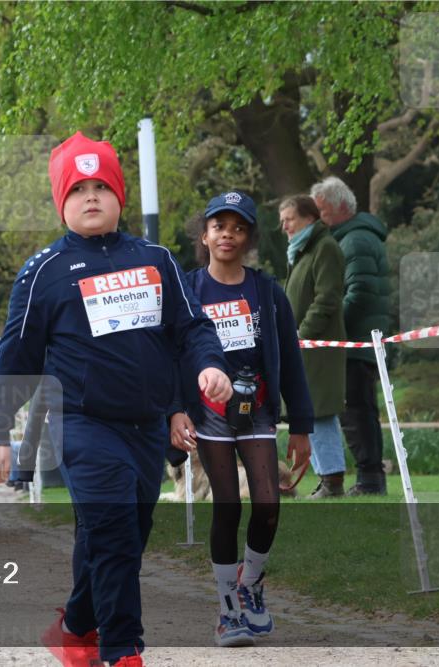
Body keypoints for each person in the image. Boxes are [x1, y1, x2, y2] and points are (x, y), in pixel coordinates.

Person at [0, 132, 231, 667]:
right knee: (114, 532)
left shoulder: (156, 259)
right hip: (81, 424)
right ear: (61, 202)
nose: (90, 196)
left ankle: (75, 627)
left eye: (100, 186)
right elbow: (16, 356)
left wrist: (208, 368)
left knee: (120, 536)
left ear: (119, 195)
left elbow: (189, 331)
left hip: (145, 428)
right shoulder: (43, 271)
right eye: (77, 188)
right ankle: (123, 652)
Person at [169, 192, 313, 647]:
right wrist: (175, 410)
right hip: (208, 416)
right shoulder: (187, 290)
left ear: (249, 238)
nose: (227, 235)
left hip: (257, 412)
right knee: (227, 506)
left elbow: (290, 360)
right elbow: (170, 356)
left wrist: (302, 425)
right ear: (204, 235)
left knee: (268, 504)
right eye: (219, 226)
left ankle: (250, 583)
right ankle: (228, 610)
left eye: (238, 228)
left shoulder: (267, 292)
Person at [311, 176, 390, 495]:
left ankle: (370, 480)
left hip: (355, 342)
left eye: (321, 211)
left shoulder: (354, 241)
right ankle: (369, 478)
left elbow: (360, 293)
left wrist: (329, 327)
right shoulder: (352, 238)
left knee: (357, 411)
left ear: (341, 207)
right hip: (357, 339)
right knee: (359, 410)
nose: (317, 218)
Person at [279, 194, 348, 498]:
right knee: (310, 410)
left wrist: (303, 333)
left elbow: (328, 297)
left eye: (289, 219)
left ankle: (332, 481)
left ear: (309, 218)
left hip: (316, 346)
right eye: (282, 221)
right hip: (304, 346)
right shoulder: (302, 250)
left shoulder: (324, 248)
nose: (285, 226)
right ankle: (326, 478)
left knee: (320, 410)